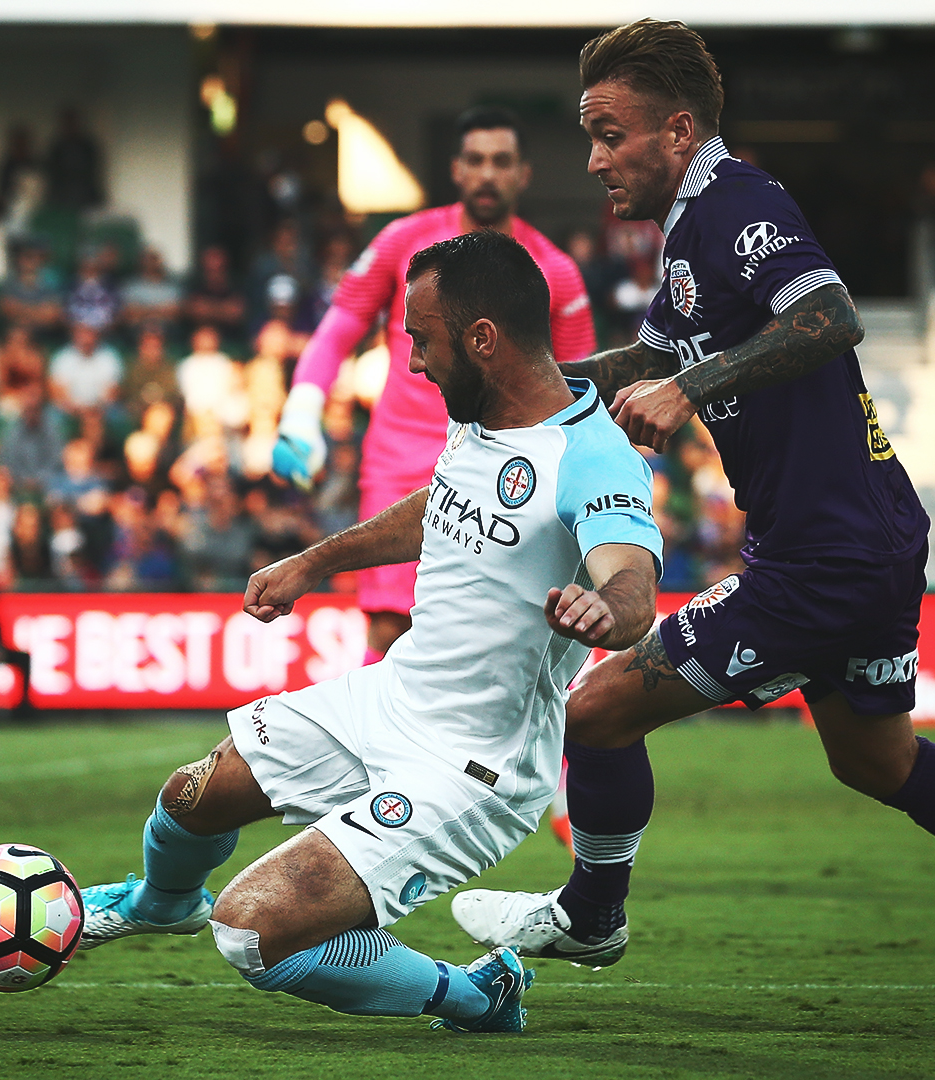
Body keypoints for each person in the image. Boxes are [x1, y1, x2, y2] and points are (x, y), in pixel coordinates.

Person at [75, 231, 662, 1033]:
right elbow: (438, 506)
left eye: (422, 341)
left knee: (251, 931)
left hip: (473, 767)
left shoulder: (594, 459)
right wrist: (316, 563)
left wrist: (609, 608)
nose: (415, 363)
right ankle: (160, 902)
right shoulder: (483, 415)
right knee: (192, 794)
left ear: (483, 339)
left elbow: (633, 583)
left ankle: (477, 994)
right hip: (392, 697)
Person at [451, 19, 932, 971]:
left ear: (678, 131)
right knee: (874, 760)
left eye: (609, 133)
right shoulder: (690, 232)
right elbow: (656, 356)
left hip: (825, 557)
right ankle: (591, 915)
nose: (593, 159)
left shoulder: (735, 199)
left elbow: (829, 316)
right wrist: (530, 388)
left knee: (595, 711)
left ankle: (591, 917)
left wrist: (688, 391)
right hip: (863, 538)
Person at [274, 106, 596, 662]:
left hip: (508, 470)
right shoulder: (404, 242)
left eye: (501, 161)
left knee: (512, 639)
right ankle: (380, 752)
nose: (487, 174)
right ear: (456, 169)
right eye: (475, 160)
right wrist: (302, 412)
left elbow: (582, 389)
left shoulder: (555, 271)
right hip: (401, 459)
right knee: (389, 631)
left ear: (524, 174)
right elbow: (336, 333)